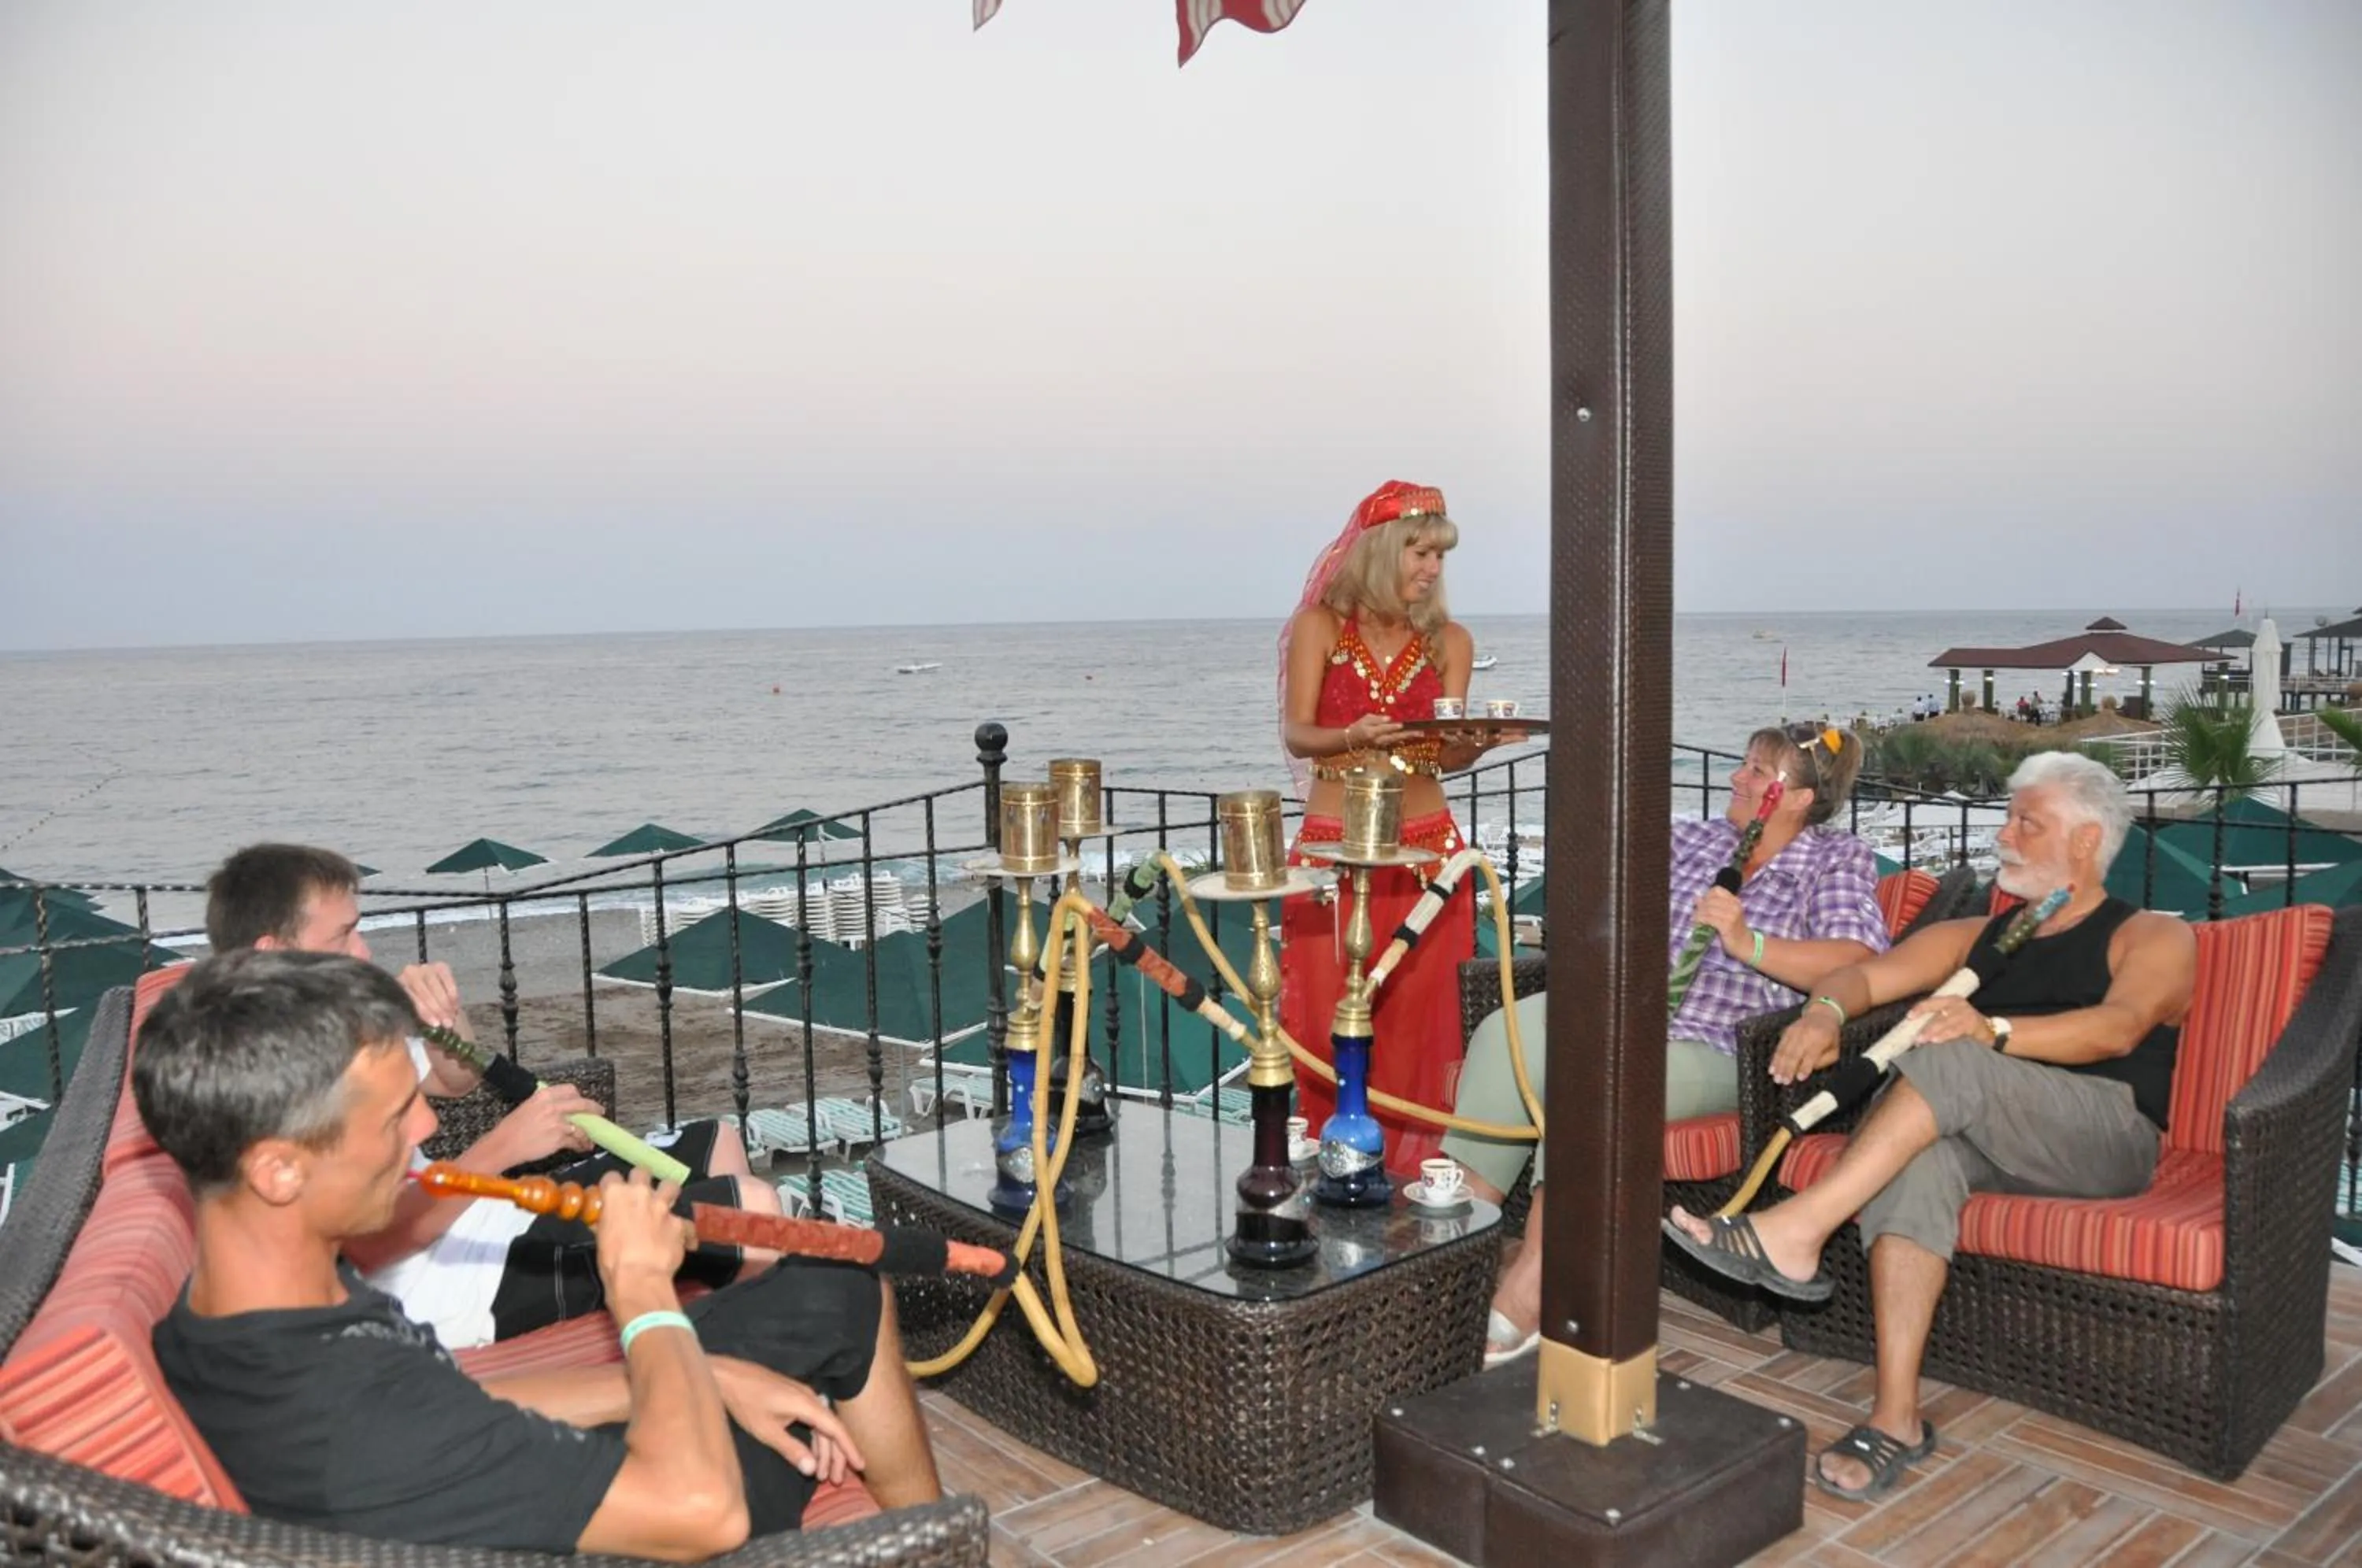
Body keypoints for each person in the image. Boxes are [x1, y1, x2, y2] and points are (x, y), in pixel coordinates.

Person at [142, 949, 941, 1556]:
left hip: (497, 1484)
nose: (426, 1132)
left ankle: (928, 1544)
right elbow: (705, 1511)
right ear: (278, 1168)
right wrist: (642, 1294)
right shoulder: (347, 1414)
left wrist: (718, 1374)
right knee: (840, 1295)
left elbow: (454, 1411)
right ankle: (932, 1548)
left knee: (834, 1280)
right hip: (649, 1516)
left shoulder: (233, 1310)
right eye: (393, 1120)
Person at [1664, 751, 2192, 1502]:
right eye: (2008, 817)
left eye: (2025, 821)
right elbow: (1867, 976)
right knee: (1920, 1165)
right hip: (1990, 1136)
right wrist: (1824, 1011)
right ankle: (1897, 1418)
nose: (2003, 834)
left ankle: (1795, 1231)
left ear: (2084, 842)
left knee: (1946, 1054)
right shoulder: (1981, 937)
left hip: (2103, 1133)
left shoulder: (2151, 936)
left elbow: (2118, 1027)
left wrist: (1991, 1031)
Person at [199, 842, 782, 1350]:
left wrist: (442, 1020)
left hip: (490, 1215)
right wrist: (506, 1145)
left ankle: (734, 1337)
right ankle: (755, 1361)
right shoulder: (276, 1081)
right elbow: (375, 1244)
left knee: (715, 1142)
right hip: (463, 1287)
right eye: (344, 934)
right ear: (273, 952)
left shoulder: (337, 1021)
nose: (365, 952)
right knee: (750, 1209)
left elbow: (454, 1082)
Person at [1443, 723, 1888, 1364]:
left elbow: (1855, 962)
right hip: (1626, 1016)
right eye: (1744, 764)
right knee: (1504, 1030)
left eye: (1758, 772)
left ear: (1797, 799)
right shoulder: (1699, 839)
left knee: (1597, 1074)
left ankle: (1533, 1292)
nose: (1738, 777)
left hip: (1718, 1048)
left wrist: (1747, 943)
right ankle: (1454, 1250)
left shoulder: (1834, 860)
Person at [1277, 479, 1523, 1174]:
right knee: (1329, 1014)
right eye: (1419, 552)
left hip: (1428, 852)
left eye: (1439, 557)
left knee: (1423, 1020)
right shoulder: (1321, 627)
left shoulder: (1451, 640)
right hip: (1334, 848)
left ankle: (1414, 1179)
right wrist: (1349, 733)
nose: (1431, 568)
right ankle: (1338, 1161)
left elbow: (1446, 750)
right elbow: (1298, 735)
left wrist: (1480, 743)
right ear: (1383, 551)